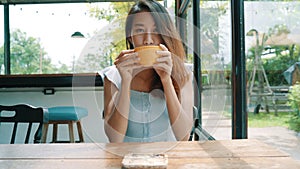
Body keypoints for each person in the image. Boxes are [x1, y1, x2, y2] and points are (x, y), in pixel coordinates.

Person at [103, 0, 194, 142]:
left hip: (169, 160)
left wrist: (166, 80)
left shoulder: (183, 72)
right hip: (127, 160)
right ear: (129, 36)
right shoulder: (113, 76)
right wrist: (126, 81)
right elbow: (114, 138)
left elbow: (183, 137)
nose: (148, 40)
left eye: (156, 31)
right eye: (140, 31)